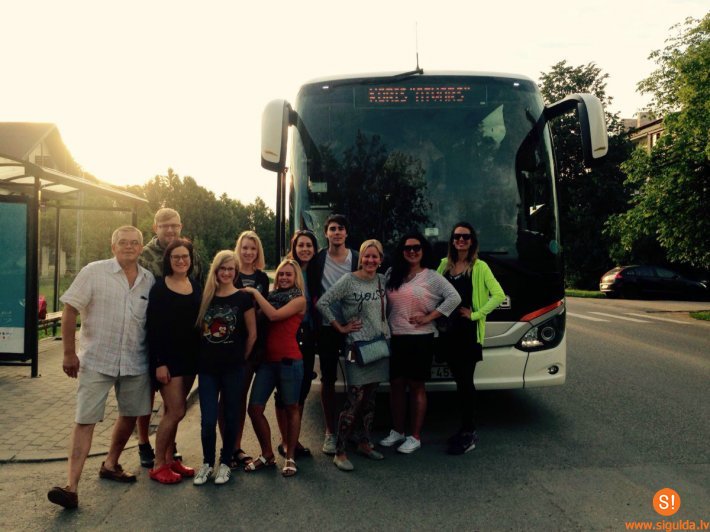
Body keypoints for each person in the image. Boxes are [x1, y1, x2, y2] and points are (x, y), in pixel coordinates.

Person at [48, 226, 154, 510]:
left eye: (134, 243)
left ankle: (111, 464)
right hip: (97, 360)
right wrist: (68, 353)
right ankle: (71, 487)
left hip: (135, 361)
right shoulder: (93, 272)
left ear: (141, 247)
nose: (129, 246)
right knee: (85, 419)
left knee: (130, 414)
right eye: (123, 242)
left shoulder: (148, 280)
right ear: (113, 246)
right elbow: (70, 310)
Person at [381, 232, 461, 453]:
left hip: (421, 338)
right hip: (395, 337)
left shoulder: (432, 277)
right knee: (396, 385)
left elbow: (454, 298)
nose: (412, 251)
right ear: (402, 252)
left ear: (423, 251)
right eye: (407, 248)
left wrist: (429, 317)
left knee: (416, 385)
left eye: (416, 248)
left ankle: (415, 436)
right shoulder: (392, 274)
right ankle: (397, 431)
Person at [316, 239, 389, 472]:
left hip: (378, 347)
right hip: (356, 348)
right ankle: (340, 451)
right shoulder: (349, 280)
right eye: (367, 256)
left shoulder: (382, 280)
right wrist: (340, 327)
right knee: (354, 399)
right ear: (361, 258)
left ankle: (364, 443)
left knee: (370, 399)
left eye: (375, 256)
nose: (370, 260)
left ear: (381, 259)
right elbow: (323, 303)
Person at [137, 207, 201, 468]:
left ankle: (168, 450)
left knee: (174, 405)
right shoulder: (143, 256)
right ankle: (145, 444)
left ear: (181, 226)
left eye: (174, 225)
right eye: (164, 226)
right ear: (156, 228)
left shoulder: (191, 254)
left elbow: (201, 289)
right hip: (150, 334)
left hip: (185, 345)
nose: (170, 230)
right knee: (148, 396)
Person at [436, 222, 505, 455]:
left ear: (472, 241)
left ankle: (469, 431)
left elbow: (498, 295)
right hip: (448, 333)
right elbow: (432, 291)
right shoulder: (444, 265)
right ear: (452, 241)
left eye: (465, 237)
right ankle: (464, 429)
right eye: (457, 237)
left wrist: (476, 314)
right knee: (459, 381)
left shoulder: (480, 267)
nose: (461, 240)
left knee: (466, 383)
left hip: (468, 334)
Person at [193, 251, 256, 486]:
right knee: (208, 420)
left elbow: (252, 334)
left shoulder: (243, 298)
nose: (227, 273)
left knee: (230, 417)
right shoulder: (206, 297)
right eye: (223, 268)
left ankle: (226, 463)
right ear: (216, 270)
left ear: (235, 272)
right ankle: (207, 463)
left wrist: (241, 358)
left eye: (231, 269)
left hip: (233, 369)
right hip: (208, 369)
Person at [241, 259, 306, 477]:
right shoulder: (271, 297)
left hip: (290, 361)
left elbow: (274, 316)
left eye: (289, 274)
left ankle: (290, 457)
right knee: (254, 408)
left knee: (291, 408)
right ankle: (267, 454)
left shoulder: (299, 299)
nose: (284, 278)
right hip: (267, 362)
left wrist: (254, 292)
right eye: (281, 274)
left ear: (296, 277)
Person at [312, 214, 359, 455]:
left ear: (346, 233)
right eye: (332, 229)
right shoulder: (318, 259)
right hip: (327, 329)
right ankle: (330, 432)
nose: (337, 232)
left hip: (353, 329)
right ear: (326, 233)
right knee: (328, 379)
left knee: (356, 379)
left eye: (341, 228)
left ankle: (352, 428)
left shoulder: (358, 258)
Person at [274, 230, 319, 459]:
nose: (305, 249)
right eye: (301, 245)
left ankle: (294, 440)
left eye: (309, 245)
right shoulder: (287, 269)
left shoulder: (317, 270)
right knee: (284, 391)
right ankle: (285, 441)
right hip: (287, 334)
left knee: (301, 390)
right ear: (294, 247)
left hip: (307, 335)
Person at [228, 230, 270, 469]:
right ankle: (231, 449)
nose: (248, 252)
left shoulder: (262, 278)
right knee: (233, 398)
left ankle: (236, 446)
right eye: (244, 247)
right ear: (239, 249)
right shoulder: (230, 273)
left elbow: (264, 310)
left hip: (257, 346)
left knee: (245, 399)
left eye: (253, 248)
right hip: (234, 345)